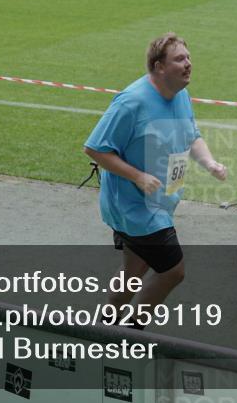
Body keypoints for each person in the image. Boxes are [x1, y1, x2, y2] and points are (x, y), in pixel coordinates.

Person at [84, 33, 227, 327]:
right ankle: (132, 331)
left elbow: (192, 134)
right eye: (179, 59)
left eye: (188, 57)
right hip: (134, 208)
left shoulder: (180, 94)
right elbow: (95, 148)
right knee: (173, 271)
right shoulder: (131, 103)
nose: (188, 64)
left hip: (160, 202)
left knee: (133, 270)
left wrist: (209, 162)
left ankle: (102, 328)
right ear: (159, 66)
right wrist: (138, 176)